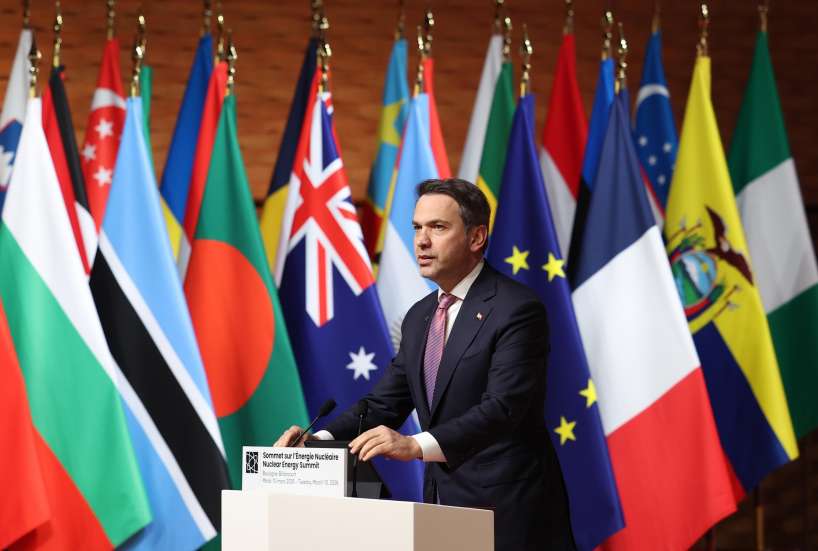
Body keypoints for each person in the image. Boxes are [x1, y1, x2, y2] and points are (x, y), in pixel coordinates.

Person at [275, 178, 574, 550]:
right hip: (440, 509)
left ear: (477, 237)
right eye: (417, 228)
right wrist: (317, 441)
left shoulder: (515, 309)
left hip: (509, 514)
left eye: (438, 227)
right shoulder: (420, 317)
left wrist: (414, 445)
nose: (421, 241)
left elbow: (503, 408)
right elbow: (384, 404)